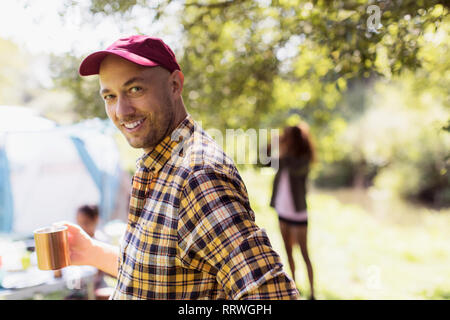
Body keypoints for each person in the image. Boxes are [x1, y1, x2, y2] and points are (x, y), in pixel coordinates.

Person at [59, 35, 299, 300]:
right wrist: (92, 252)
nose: (122, 110)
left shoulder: (197, 176)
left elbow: (272, 297)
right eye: (110, 96)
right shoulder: (159, 163)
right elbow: (161, 278)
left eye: (135, 89)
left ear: (175, 85)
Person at [270, 124, 316, 300]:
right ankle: (293, 290)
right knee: (287, 252)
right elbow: (263, 161)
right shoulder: (282, 155)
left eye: (287, 136)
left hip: (298, 212)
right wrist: (272, 145)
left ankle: (312, 293)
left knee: (304, 253)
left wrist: (280, 149)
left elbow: (293, 166)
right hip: (282, 210)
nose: (284, 139)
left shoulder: (303, 158)